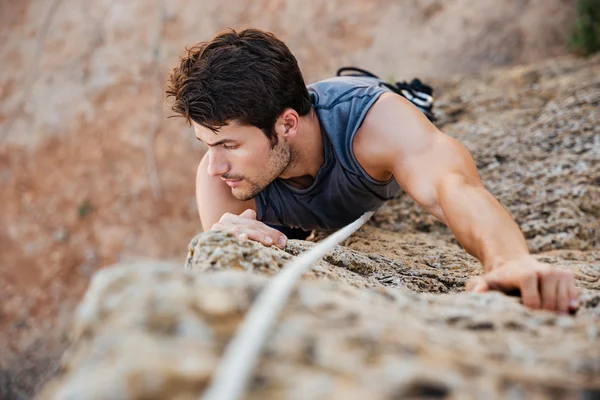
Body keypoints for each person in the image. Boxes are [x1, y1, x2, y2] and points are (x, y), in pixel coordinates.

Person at [166, 28, 579, 314]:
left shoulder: (371, 125)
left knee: (411, 108)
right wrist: (230, 241)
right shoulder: (222, 176)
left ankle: (411, 94)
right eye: (207, 146)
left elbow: (453, 187)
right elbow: (221, 274)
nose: (214, 167)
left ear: (287, 124)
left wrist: (508, 260)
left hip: (372, 118)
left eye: (229, 145)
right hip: (292, 210)